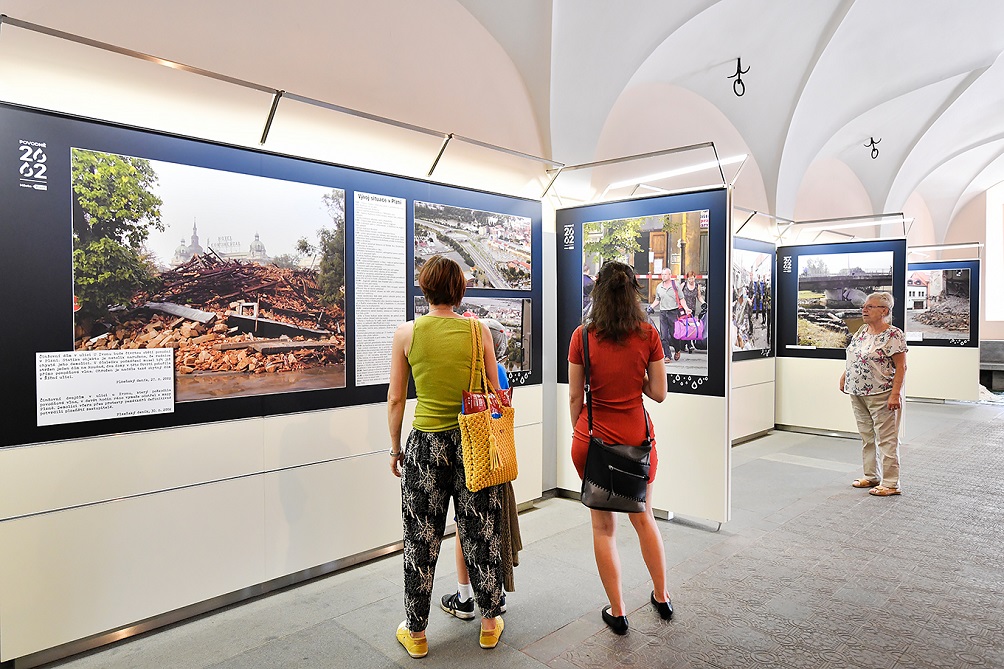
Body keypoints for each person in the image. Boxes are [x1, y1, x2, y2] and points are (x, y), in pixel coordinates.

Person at [388, 255, 506, 658]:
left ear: (425, 288)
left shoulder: (407, 333)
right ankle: (490, 623)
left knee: (421, 538)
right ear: (460, 290)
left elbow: (396, 398)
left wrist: (395, 447)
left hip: (425, 446)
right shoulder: (479, 332)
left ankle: (417, 633)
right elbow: (495, 389)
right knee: (481, 531)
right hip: (472, 441)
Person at [567, 260, 672, 635]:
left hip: (592, 440)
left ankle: (619, 610)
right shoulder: (648, 334)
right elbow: (658, 393)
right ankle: (661, 597)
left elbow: (575, 399)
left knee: (603, 527)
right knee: (644, 519)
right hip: (637, 441)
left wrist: (580, 436)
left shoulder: (582, 335)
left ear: (597, 293)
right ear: (634, 293)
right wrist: (638, 378)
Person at [440, 318, 520, 620]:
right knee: (491, 527)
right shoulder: (498, 372)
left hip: (470, 455)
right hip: (495, 458)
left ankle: (464, 597)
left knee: (465, 527)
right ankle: (495, 596)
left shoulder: (465, 370)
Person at [839, 291, 907, 497]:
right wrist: (845, 375)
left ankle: (891, 483)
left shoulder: (893, 334)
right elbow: (855, 355)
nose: (864, 309)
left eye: (870, 307)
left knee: (886, 439)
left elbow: (902, 367)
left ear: (884, 310)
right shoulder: (862, 331)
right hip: (857, 392)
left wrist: (895, 395)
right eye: (864, 306)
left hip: (881, 393)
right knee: (867, 437)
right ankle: (871, 476)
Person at [650, 267, 689, 362]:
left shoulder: (675, 285)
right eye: (662, 274)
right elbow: (657, 300)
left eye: (665, 274)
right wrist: (651, 307)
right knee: (663, 336)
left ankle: (677, 350)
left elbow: (681, 298)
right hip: (663, 312)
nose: (663, 276)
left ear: (670, 275)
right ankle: (667, 356)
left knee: (673, 334)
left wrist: (686, 308)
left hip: (673, 312)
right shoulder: (659, 287)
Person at [680, 271, 705, 353]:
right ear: (687, 278)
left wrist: (704, 303)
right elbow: (679, 296)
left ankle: (686, 344)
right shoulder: (683, 285)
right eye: (689, 278)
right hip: (683, 309)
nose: (691, 280)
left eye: (692, 278)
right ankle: (688, 344)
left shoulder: (697, 286)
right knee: (685, 326)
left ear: (695, 278)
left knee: (690, 327)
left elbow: (699, 297)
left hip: (692, 310)